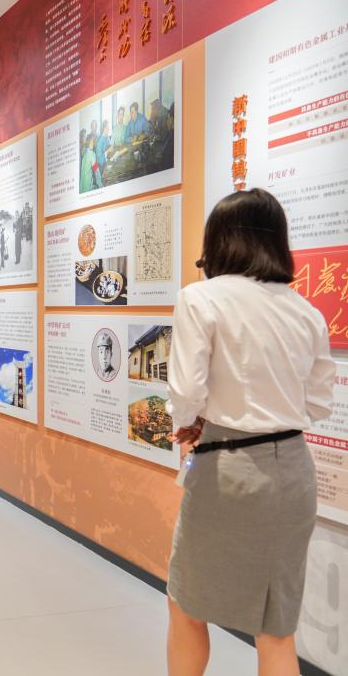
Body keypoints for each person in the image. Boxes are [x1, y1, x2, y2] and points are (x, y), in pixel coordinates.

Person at [166, 189, 335, 676]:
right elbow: (319, 403)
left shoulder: (200, 298)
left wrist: (190, 420)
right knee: (276, 629)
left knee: (186, 604)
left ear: (219, 240)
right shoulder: (306, 311)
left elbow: (186, 391)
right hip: (294, 471)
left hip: (229, 469)